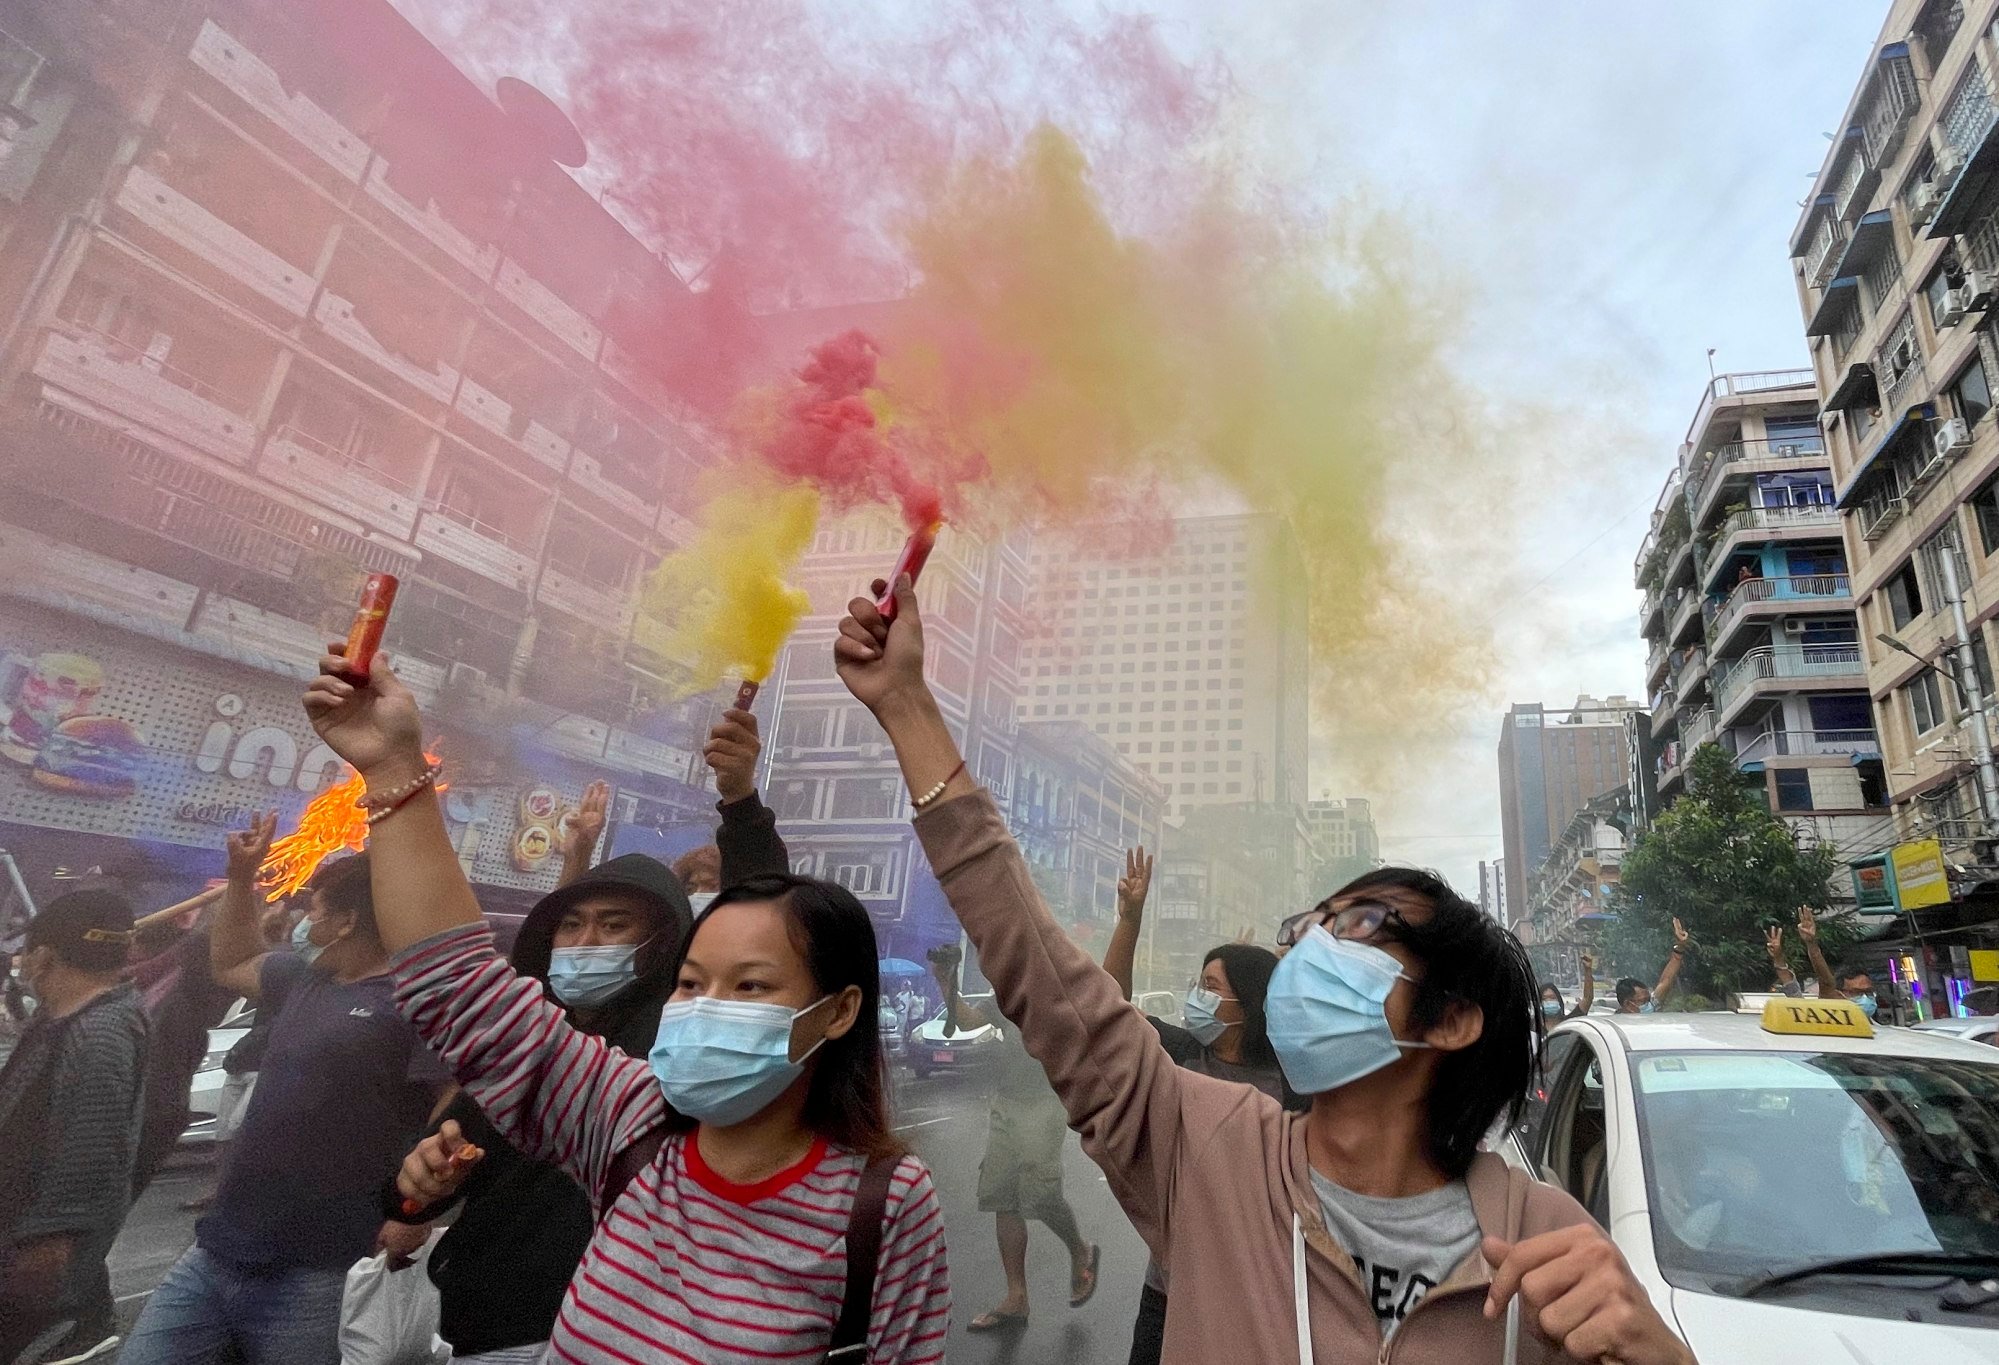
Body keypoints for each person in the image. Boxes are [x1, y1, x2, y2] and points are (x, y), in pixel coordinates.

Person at [834, 576, 1693, 1364]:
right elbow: (1044, 974)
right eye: (1306, 927)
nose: (1311, 948)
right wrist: (909, 707)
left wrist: (1661, 1357)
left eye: (1357, 924)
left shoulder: (1550, 1241)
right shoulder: (1205, 1150)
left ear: (1451, 1017)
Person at [302, 650, 950, 1362]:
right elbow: (458, 983)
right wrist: (394, 769)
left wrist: (739, 800)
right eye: (691, 981)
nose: (707, 1008)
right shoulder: (624, 1117)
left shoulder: (884, 1200)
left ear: (837, 1009)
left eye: (751, 986)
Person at [379, 711, 790, 1365]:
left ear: (664, 941)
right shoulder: (531, 1043)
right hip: (480, 1331)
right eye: (569, 927)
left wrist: (739, 800)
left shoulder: (682, 1044)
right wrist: (418, 1185)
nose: (582, 945)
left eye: (612, 925)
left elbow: (767, 921)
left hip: (612, 1334)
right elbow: (426, 1176)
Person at [121, 819, 452, 1365]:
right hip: (218, 1249)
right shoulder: (303, 978)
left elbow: (452, 1116)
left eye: (315, 909)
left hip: (320, 1269)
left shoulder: (414, 1006)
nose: (304, 921)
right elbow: (229, 962)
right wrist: (242, 875)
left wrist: (412, 1210)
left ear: (346, 922)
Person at [1100, 844, 1299, 1365]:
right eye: (1199, 983)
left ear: (1246, 1004)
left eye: (1211, 986)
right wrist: (1131, 919)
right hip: (1168, 1288)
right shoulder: (1183, 1051)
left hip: (1259, 1290)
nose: (1198, 995)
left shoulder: (1294, 1079)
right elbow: (1111, 1006)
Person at [0, 889, 146, 1365]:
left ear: (42, 956)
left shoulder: (100, 1033)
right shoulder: (58, 1018)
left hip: (35, 1273)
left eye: (26, 951)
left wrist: (48, 1253)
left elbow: (88, 1157)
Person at [929, 939, 1098, 1331]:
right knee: (1002, 1196)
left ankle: (1081, 1250)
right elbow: (970, 1020)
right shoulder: (1007, 993)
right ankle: (1016, 1297)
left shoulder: (1059, 992)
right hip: (1007, 1102)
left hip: (1044, 1103)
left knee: (1040, 1196)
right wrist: (944, 981)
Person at [1613, 918, 1689, 1014]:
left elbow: (1666, 979)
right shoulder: (1614, 1025)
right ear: (1628, 1004)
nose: (1649, 1004)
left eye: (1648, 1000)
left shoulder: (1653, 1006)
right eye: (1643, 1001)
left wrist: (1680, 945)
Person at [1538, 952, 1594, 1021]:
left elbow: (1587, 999)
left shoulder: (1568, 1023)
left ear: (1559, 1001)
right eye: (1545, 998)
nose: (1549, 1001)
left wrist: (1588, 970)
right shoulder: (1533, 1027)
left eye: (1552, 998)